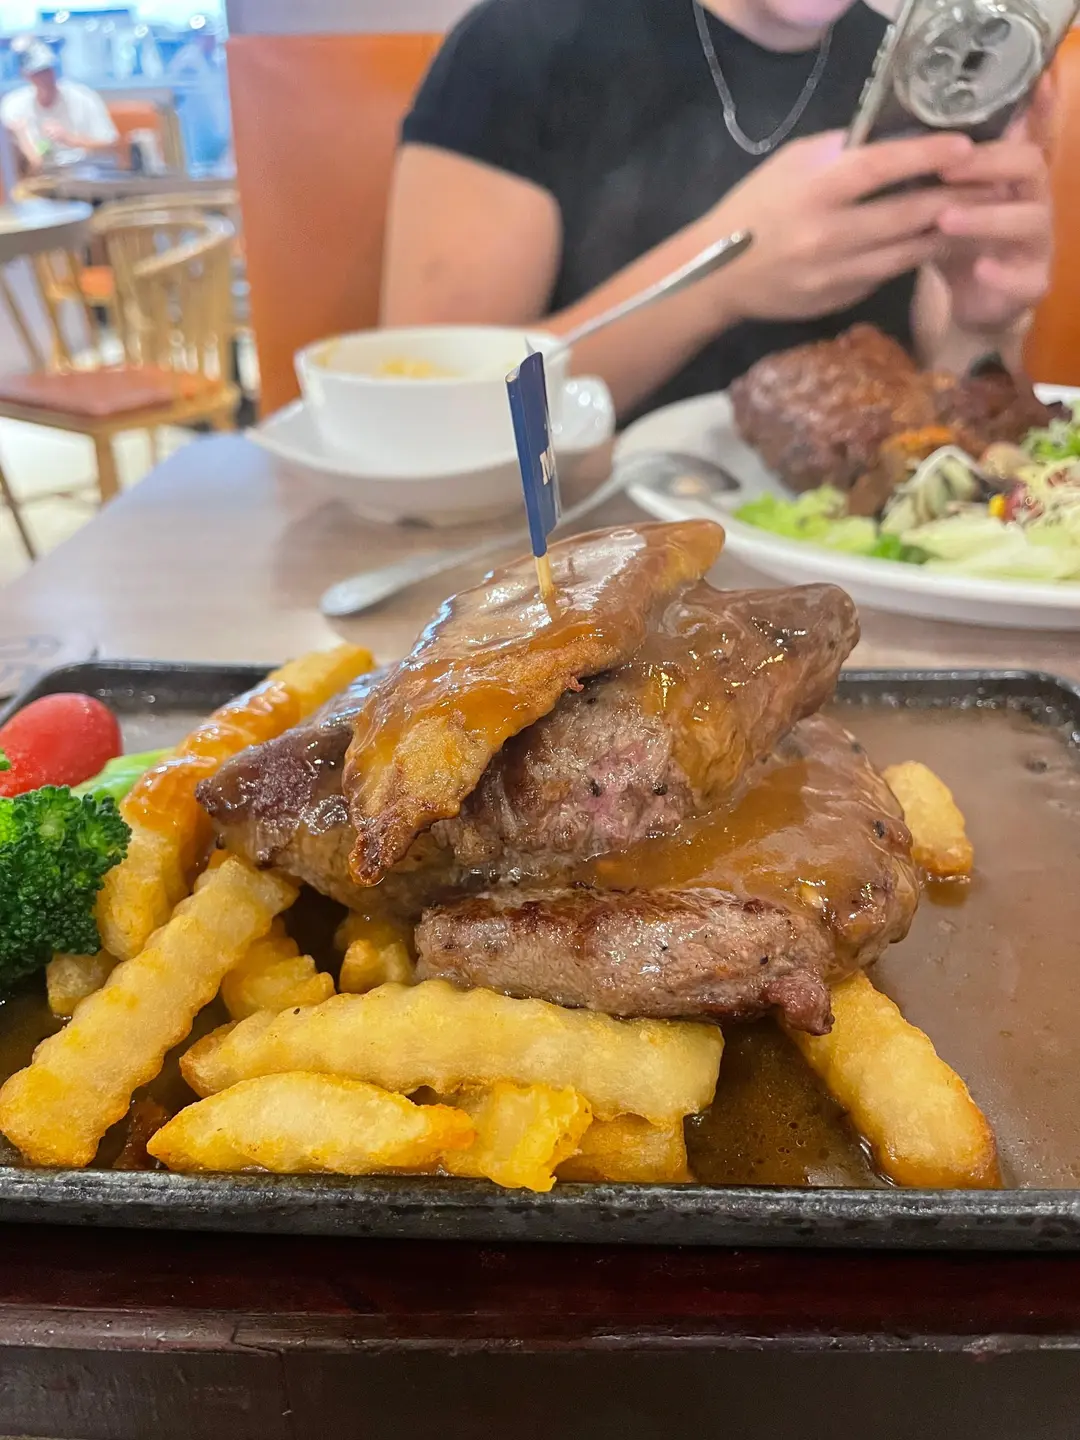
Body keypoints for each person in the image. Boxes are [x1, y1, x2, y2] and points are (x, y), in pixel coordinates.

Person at [382, 0, 1053, 420]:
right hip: (580, 554)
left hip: (842, 557)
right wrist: (719, 278)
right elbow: (428, 419)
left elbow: (943, 400)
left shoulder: (919, 77)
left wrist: (984, 323)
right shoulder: (525, 42)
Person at [1, 40, 118, 174]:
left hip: (85, 174)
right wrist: (22, 135)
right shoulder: (14, 105)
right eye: (37, 73)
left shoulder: (83, 98)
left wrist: (70, 139)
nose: (45, 78)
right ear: (26, 76)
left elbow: (111, 145)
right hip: (39, 178)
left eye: (47, 70)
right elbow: (31, 163)